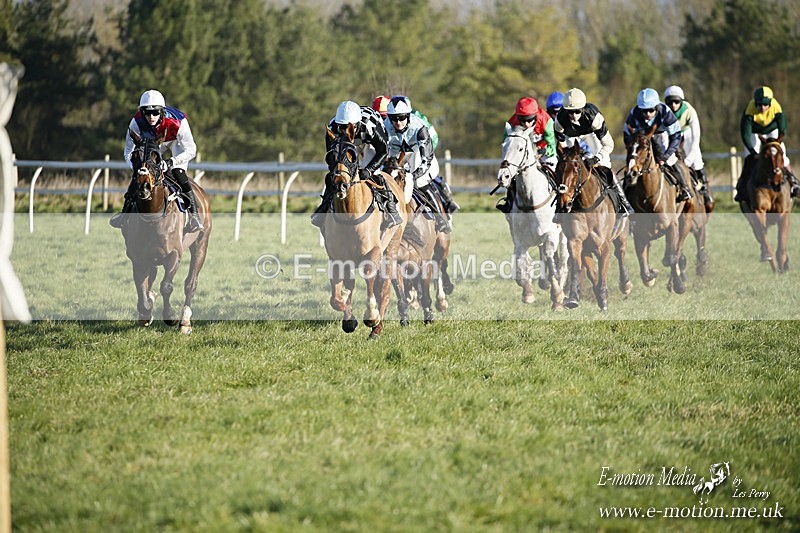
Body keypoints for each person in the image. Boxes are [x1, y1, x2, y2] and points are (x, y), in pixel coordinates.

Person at [110, 90, 203, 232]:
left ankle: (194, 215)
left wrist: (170, 162)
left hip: (176, 143)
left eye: (155, 113)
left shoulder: (178, 122)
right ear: (142, 112)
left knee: (177, 172)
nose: (151, 117)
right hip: (152, 145)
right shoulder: (136, 123)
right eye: (147, 113)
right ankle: (124, 214)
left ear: (162, 112)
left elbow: (191, 150)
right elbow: (127, 153)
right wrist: (138, 168)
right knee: (140, 176)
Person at [311, 100, 402, 230]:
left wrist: (369, 170)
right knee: (336, 174)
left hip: (369, 143)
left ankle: (390, 207)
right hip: (346, 146)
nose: (345, 131)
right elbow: (332, 159)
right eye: (342, 127)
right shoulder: (332, 129)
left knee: (374, 174)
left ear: (357, 124)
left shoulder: (370, 126)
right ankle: (324, 208)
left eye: (348, 127)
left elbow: (383, 151)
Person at [554, 88, 635, 215]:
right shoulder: (560, 120)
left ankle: (623, 202)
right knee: (566, 166)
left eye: (577, 111)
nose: (574, 116)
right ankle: (560, 206)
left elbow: (609, 144)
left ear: (583, 108)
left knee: (605, 165)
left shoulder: (593, 117)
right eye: (570, 112)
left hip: (591, 135)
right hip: (571, 137)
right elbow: (561, 145)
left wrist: (596, 158)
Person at [385, 96, 450, 233]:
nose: (398, 122)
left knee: (420, 182)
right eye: (394, 118)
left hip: (419, 154)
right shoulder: (386, 125)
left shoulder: (419, 128)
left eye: (402, 117)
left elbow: (427, 159)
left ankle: (440, 218)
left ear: (408, 115)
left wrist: (413, 176)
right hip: (397, 151)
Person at [624, 88, 692, 202]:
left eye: (651, 110)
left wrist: (665, 156)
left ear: (656, 107)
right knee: (632, 164)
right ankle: (625, 196)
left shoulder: (665, 113)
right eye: (644, 111)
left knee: (670, 159)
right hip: (642, 136)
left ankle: (685, 188)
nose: (648, 114)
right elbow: (627, 134)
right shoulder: (634, 113)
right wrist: (632, 149)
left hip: (662, 135)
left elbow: (676, 136)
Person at [735, 85, 800, 201]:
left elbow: (783, 129)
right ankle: (742, 187)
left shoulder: (776, 108)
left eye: (765, 104)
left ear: (770, 103)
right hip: (755, 133)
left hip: (772, 132)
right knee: (750, 158)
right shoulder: (749, 111)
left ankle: (793, 182)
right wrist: (752, 151)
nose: (762, 107)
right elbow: (745, 134)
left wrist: (778, 143)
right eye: (759, 104)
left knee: (782, 156)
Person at [496, 97, 556, 213]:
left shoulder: (546, 120)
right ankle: (509, 201)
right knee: (512, 174)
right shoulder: (512, 123)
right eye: (522, 120)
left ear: (535, 115)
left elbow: (552, 146)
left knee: (556, 169)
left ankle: (563, 201)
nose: (526, 124)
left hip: (543, 153)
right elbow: (506, 145)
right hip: (523, 155)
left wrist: (542, 152)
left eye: (529, 120)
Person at [664, 85, 713, 206]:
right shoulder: (664, 111)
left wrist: (690, 157)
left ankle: (704, 189)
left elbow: (696, 137)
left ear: (681, 101)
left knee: (697, 160)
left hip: (687, 133)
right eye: (670, 102)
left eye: (676, 102)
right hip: (670, 134)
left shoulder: (690, 111)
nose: (673, 105)